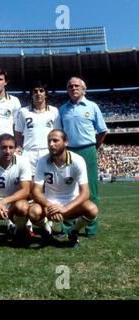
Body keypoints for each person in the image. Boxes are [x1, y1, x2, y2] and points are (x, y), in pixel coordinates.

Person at [30, 129, 99, 248]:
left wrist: (64, 208)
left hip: (70, 205)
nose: (51, 144)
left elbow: (85, 193)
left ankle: (73, 231)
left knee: (92, 209)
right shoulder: (42, 161)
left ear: (66, 142)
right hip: (49, 204)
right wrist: (51, 206)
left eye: (55, 140)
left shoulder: (77, 160)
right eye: (49, 141)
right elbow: (35, 191)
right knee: (33, 211)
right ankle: (46, 230)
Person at [59, 77, 107, 236]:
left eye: (76, 86)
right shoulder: (63, 109)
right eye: (70, 86)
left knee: (91, 190)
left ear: (83, 89)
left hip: (88, 150)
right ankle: (66, 227)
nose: (73, 88)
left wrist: (94, 147)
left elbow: (102, 131)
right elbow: (59, 133)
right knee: (68, 189)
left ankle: (90, 227)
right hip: (69, 152)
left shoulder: (92, 106)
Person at [14, 82, 60, 177]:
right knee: (30, 185)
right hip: (29, 153)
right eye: (35, 91)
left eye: (41, 91)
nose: (38, 93)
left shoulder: (54, 111)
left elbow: (58, 134)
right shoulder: (23, 111)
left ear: (45, 94)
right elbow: (17, 134)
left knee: (50, 185)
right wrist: (24, 147)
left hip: (48, 151)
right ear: (32, 95)